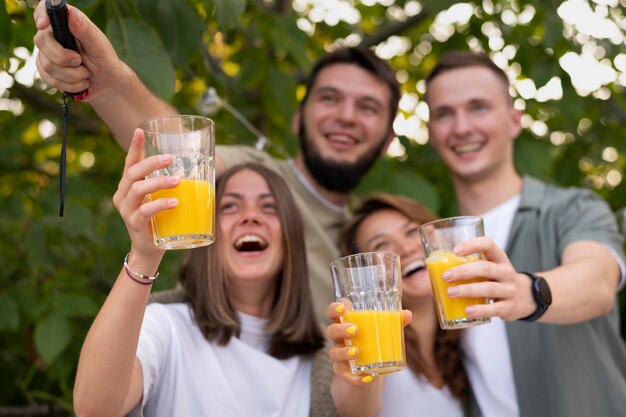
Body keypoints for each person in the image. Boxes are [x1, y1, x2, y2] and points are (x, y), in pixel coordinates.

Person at [33, 3, 400, 324]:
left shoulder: (377, 239)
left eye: (368, 107)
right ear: (298, 117)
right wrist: (109, 81)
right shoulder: (257, 176)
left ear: (387, 140)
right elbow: (179, 152)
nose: (346, 116)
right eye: (330, 98)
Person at [72, 131, 377, 417]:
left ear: (292, 239)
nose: (251, 216)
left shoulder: (320, 360)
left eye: (269, 207)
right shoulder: (166, 326)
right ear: (209, 234)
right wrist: (143, 256)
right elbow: (95, 409)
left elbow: (361, 410)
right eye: (230, 206)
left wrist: (364, 361)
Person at [424, 50, 626, 417]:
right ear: (431, 132)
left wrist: (527, 292)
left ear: (515, 121)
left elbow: (598, 282)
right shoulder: (437, 248)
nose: (462, 127)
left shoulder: (572, 207)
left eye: (479, 107)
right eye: (444, 114)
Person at [327, 192, 478, 417]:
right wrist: (357, 372)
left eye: (410, 232)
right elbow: (355, 410)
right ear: (363, 276)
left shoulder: (468, 336)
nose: (405, 249)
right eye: (382, 245)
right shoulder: (379, 349)